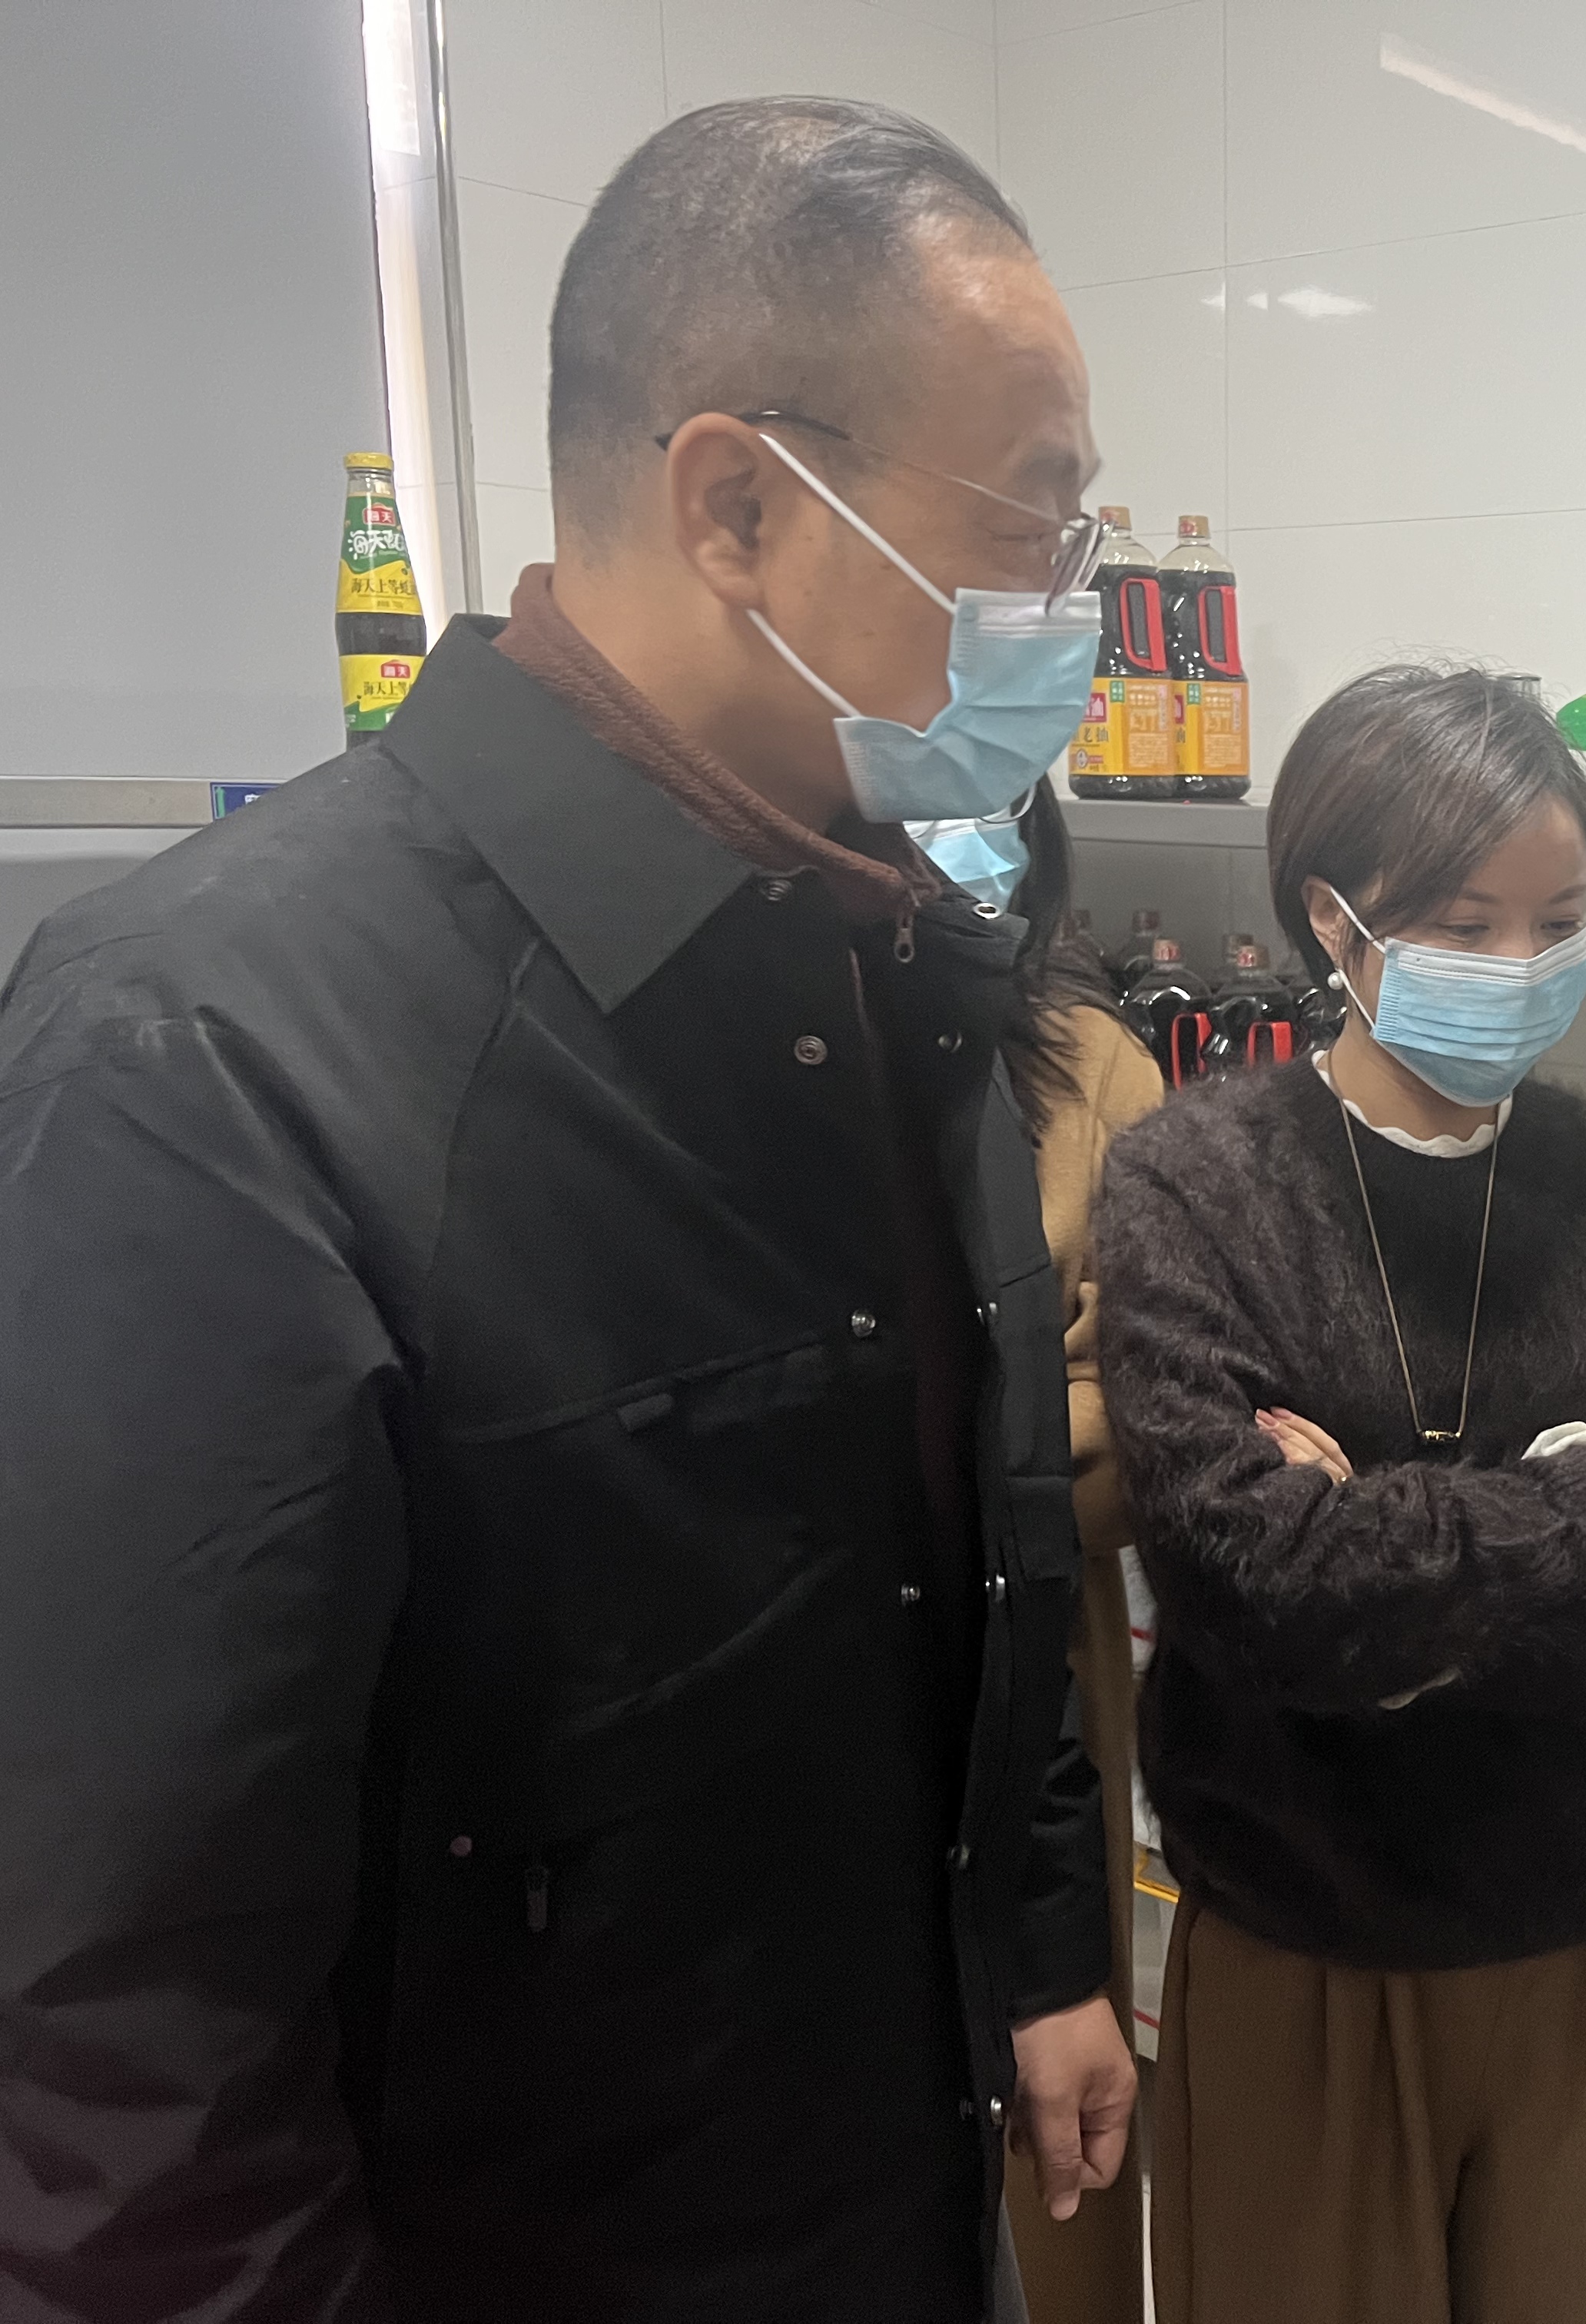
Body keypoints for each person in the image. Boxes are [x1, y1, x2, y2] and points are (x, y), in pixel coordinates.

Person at [0, 100, 1136, 2320]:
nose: (1067, 614)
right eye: (1030, 529)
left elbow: (968, 1566)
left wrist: (1038, 1947)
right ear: (738, 506)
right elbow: (123, 2035)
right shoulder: (202, 1059)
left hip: (890, 2202)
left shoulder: (883, 948)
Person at [1090, 667, 1586, 2324]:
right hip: (1305, 1951)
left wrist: (1390, 1572)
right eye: (1467, 926)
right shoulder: (1197, 1187)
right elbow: (1261, 1593)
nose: (1522, 964)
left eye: (1561, 921)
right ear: (1334, 919)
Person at [969, 782, 1170, 2323]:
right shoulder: (706, 1056)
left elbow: (1146, 1403)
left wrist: (965, 1467)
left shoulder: (1091, 1067)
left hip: (1037, 1656)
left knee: (1055, 2152)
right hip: (790, 1680)